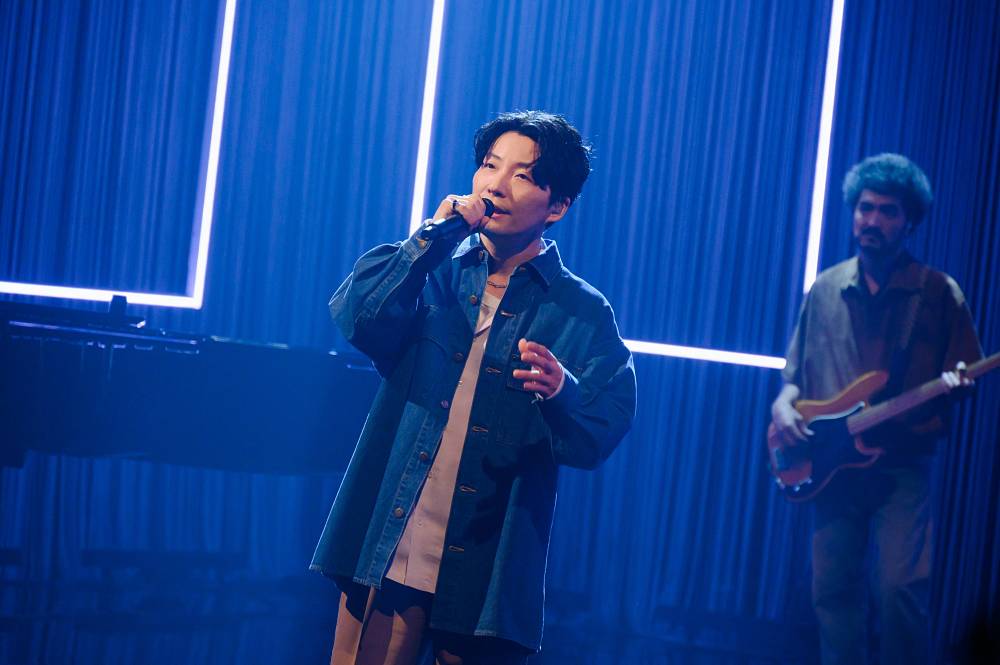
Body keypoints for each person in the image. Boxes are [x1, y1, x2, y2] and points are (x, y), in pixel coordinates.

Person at [311, 110, 636, 665]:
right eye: (489, 165)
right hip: (394, 537)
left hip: (487, 563)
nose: (495, 184)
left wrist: (564, 392)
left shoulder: (581, 311)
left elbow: (602, 429)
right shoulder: (433, 269)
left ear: (557, 206)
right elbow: (358, 317)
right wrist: (429, 241)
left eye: (522, 175)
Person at [771, 153, 983, 664]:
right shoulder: (826, 288)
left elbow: (966, 375)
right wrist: (783, 407)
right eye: (865, 208)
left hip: (902, 467)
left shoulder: (937, 293)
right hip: (831, 464)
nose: (872, 220)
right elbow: (793, 378)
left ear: (909, 222)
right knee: (833, 593)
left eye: (888, 211)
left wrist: (957, 384)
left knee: (899, 593)